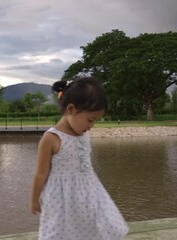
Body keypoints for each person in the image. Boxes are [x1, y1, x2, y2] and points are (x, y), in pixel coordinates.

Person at [31, 77, 129, 240]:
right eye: (90, 120)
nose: (91, 126)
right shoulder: (51, 138)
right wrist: (34, 199)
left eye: (95, 121)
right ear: (71, 109)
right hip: (61, 199)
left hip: (89, 193)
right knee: (59, 231)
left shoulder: (82, 133)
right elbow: (41, 173)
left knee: (94, 227)